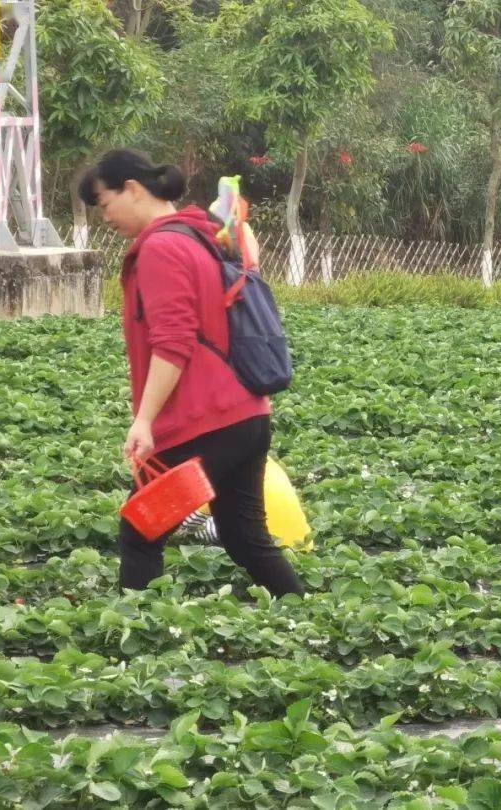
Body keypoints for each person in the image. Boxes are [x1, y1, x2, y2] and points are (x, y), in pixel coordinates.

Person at [79, 148, 305, 598]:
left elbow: (173, 344)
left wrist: (143, 420)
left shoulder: (161, 248)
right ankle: (312, 619)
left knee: (140, 528)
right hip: (246, 415)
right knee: (244, 538)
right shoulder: (199, 235)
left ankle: (145, 645)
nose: (105, 218)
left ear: (133, 189)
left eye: (105, 204)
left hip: (205, 421)